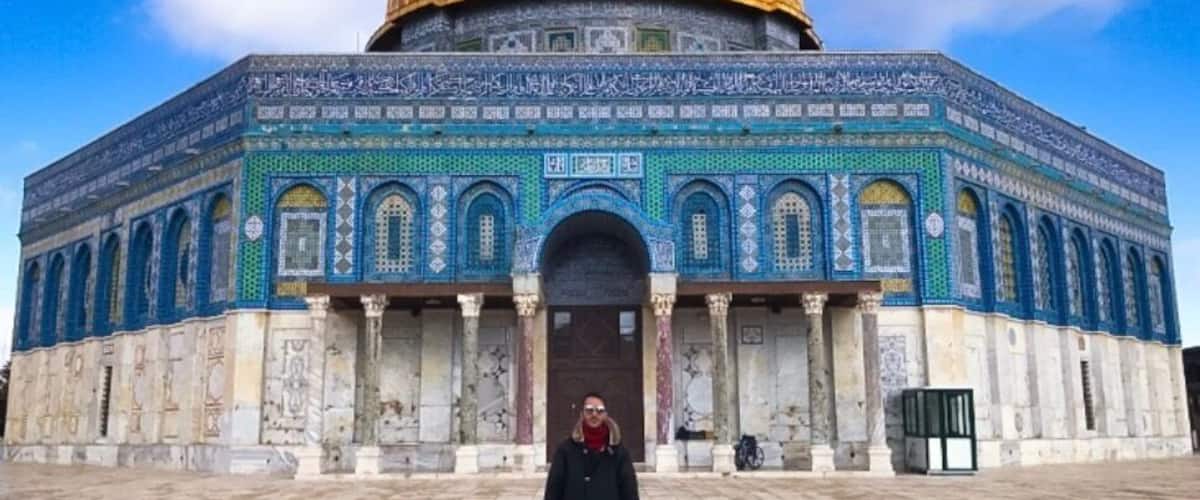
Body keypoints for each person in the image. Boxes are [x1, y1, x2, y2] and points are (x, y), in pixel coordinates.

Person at [544, 393, 639, 500]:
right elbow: (554, 489)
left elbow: (629, 491)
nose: (594, 414)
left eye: (600, 411)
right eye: (589, 410)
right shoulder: (565, 450)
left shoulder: (619, 452)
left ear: (605, 415)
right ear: (582, 414)